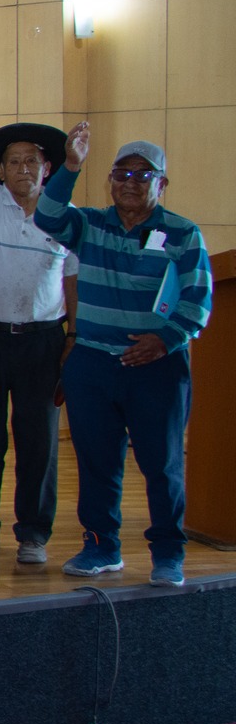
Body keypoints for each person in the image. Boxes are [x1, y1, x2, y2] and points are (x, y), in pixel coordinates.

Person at [36, 128, 212, 586]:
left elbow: (197, 301)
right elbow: (47, 215)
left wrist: (165, 340)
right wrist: (70, 166)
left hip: (156, 367)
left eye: (143, 175)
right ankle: (101, 547)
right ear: (110, 180)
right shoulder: (90, 225)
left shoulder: (183, 234)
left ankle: (168, 554)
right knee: (97, 463)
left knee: (162, 465)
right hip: (93, 364)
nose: (130, 182)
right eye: (121, 173)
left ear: (162, 184)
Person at [0, 98, 78, 565]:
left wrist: (72, 337)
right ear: (1, 172)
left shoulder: (68, 217)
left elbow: (72, 281)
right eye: (14, 162)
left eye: (32, 161)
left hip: (43, 341)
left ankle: (34, 534)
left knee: (38, 441)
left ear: (48, 169)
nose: (24, 169)